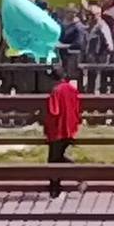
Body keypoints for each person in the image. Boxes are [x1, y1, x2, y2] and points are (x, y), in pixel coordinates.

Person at [44, 66, 81, 196]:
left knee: (53, 161)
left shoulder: (56, 91)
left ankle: (56, 189)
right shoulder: (72, 89)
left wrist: (44, 124)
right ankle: (57, 188)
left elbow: (54, 111)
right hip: (70, 128)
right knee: (58, 158)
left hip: (58, 130)